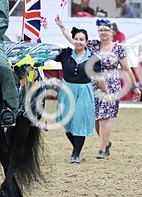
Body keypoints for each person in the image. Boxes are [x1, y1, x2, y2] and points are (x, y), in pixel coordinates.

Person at [87, 18, 135, 158]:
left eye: (106, 30)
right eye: (101, 30)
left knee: (104, 118)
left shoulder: (118, 48)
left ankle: (102, 149)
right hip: (94, 85)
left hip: (112, 85)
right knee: (95, 118)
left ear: (112, 32)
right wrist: (61, 26)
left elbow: (126, 68)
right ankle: (106, 142)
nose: (103, 32)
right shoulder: (93, 45)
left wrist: (135, 85)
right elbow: (74, 41)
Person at [53, 18, 98, 163]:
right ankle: (75, 148)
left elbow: (100, 78)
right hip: (67, 91)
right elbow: (48, 53)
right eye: (76, 39)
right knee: (68, 124)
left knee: (79, 121)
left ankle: (76, 154)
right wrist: (61, 27)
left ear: (86, 42)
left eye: (82, 39)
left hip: (84, 91)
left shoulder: (92, 58)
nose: (78, 41)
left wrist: (108, 94)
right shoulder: (65, 54)